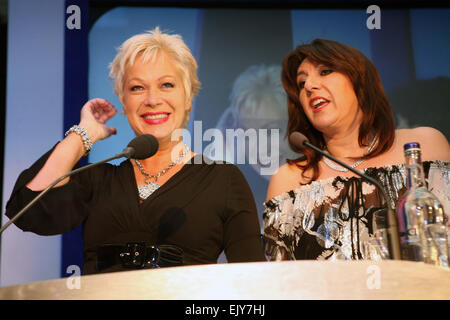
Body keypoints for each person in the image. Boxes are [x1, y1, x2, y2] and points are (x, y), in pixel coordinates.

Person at [5, 28, 265, 275]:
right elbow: (28, 210)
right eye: (137, 88)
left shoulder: (223, 180)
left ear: (188, 97)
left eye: (166, 85)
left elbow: (252, 285)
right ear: (123, 101)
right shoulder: (98, 179)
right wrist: (83, 134)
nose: (152, 99)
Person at [263, 39, 450, 261]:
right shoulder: (289, 180)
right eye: (302, 82)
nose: (310, 86)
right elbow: (281, 281)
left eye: (325, 71)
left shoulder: (423, 146)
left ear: (360, 81)